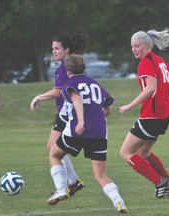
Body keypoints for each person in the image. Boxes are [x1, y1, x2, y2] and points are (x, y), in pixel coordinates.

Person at [47, 54, 127, 213]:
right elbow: (108, 108)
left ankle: (62, 189)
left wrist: (82, 121)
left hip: (77, 131)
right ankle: (119, 202)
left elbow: (76, 98)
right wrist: (94, 120)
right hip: (99, 132)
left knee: (54, 155)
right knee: (100, 175)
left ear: (68, 71)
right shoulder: (95, 84)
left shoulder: (69, 85)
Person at [119, 28, 169, 199]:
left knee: (125, 153)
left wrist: (129, 106)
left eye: (137, 46)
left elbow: (151, 88)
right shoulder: (162, 62)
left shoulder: (146, 62)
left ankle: (160, 183)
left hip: (150, 117)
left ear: (147, 45)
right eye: (132, 46)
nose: (134, 49)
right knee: (143, 154)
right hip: (163, 117)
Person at [30, 33, 88, 196]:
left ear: (67, 49)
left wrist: (38, 97)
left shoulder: (65, 67)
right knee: (53, 148)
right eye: (52, 49)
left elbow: (57, 92)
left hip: (68, 113)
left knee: (54, 149)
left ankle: (71, 183)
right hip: (65, 112)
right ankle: (73, 181)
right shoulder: (63, 66)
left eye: (57, 48)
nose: (54, 52)